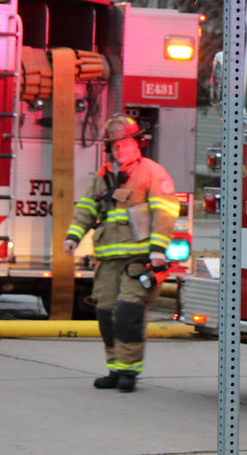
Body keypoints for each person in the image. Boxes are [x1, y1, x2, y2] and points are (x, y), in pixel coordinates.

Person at [63, 113, 180, 393]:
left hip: (138, 260)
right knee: (105, 316)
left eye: (124, 143)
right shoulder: (104, 175)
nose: (118, 149)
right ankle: (115, 369)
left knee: (128, 314)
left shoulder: (151, 171)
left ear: (137, 143)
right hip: (108, 261)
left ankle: (129, 372)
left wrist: (157, 252)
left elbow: (165, 212)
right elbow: (87, 209)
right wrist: (73, 237)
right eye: (114, 145)